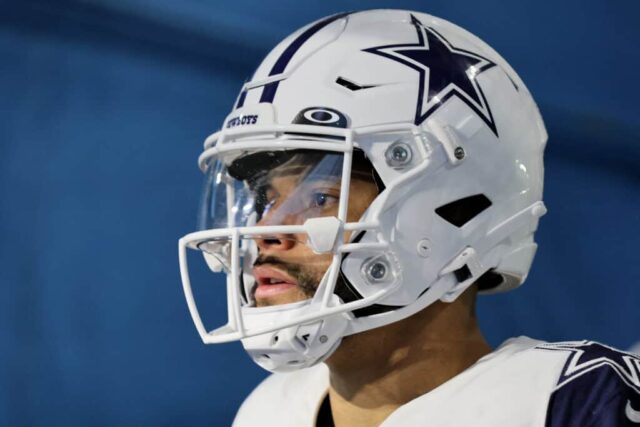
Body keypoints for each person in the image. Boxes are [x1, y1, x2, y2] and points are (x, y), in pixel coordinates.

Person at [178, 9, 640, 426]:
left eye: (320, 198)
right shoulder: (268, 413)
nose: (265, 231)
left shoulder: (568, 404)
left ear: (453, 211)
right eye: (266, 199)